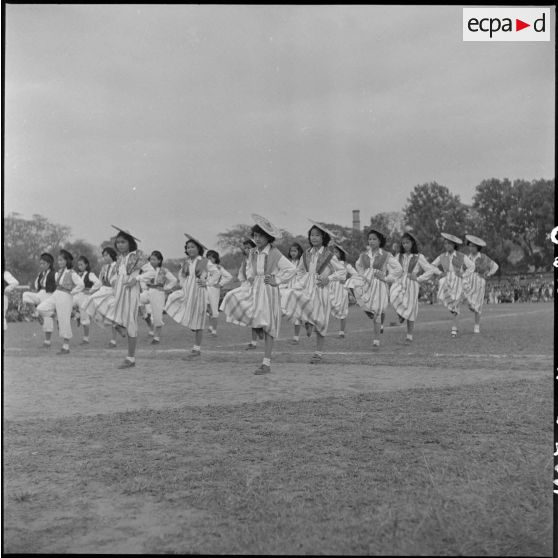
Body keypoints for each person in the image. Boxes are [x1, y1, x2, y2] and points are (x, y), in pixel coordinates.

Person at [220, 214, 296, 374]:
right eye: (255, 235)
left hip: (268, 290)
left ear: (269, 237)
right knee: (232, 297)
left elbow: (291, 269)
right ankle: (258, 329)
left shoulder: (275, 254)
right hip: (255, 288)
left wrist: (277, 279)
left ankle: (266, 363)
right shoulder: (253, 252)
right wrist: (250, 278)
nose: (258, 238)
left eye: (261, 235)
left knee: (269, 326)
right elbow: (249, 269)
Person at [282, 220, 345, 363]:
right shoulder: (306, 254)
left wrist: (328, 278)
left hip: (321, 289)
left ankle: (318, 352)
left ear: (323, 238)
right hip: (307, 287)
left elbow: (342, 272)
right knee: (294, 299)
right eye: (312, 235)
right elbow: (299, 271)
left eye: (317, 235)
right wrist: (302, 281)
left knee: (321, 321)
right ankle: (307, 322)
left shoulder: (329, 255)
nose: (314, 238)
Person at [97, 226, 153, 368]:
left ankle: (131, 358)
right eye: (118, 242)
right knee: (97, 302)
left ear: (130, 242)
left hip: (131, 291)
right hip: (119, 291)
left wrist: (137, 278)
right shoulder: (120, 258)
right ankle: (118, 325)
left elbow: (151, 272)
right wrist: (115, 281)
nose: (120, 245)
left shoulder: (137, 255)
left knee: (131, 323)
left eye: (123, 242)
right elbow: (116, 275)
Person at [345, 228, 403, 351]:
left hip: (379, 285)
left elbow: (399, 269)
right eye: (369, 239)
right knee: (350, 282)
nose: (371, 241)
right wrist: (363, 275)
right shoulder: (364, 255)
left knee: (377, 312)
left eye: (374, 239)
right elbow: (358, 265)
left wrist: (386, 278)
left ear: (380, 241)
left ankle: (376, 340)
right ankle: (362, 306)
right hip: (366, 283)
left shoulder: (386, 255)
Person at [165, 233, 214, 359]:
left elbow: (217, 274)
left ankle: (196, 349)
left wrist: (207, 282)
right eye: (188, 247)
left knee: (198, 321)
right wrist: (183, 285)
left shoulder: (205, 262)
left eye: (193, 247)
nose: (190, 249)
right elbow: (181, 276)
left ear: (198, 248)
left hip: (199, 292)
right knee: (172, 298)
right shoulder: (186, 262)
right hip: (187, 292)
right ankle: (193, 329)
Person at [389, 231, 440, 344]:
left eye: (407, 242)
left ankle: (409, 336)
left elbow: (430, 270)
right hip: (400, 281)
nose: (405, 245)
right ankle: (401, 315)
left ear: (412, 243)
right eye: (403, 243)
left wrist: (418, 278)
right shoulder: (399, 256)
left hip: (412, 283)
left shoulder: (419, 257)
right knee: (393, 294)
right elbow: (392, 268)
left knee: (411, 309)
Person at [37, 250, 84, 354]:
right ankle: (55, 316)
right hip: (56, 294)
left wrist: (72, 292)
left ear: (67, 261)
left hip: (66, 297)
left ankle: (66, 347)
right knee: (41, 308)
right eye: (58, 260)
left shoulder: (72, 273)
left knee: (64, 322)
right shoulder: (58, 272)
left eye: (61, 260)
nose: (59, 262)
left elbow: (81, 284)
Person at [430, 232, 475, 338]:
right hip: (446, 281)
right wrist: (439, 272)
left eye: (449, 244)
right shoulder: (442, 257)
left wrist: (463, 274)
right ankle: (468, 303)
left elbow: (472, 266)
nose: (447, 246)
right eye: (445, 244)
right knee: (452, 302)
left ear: (454, 245)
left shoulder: (461, 256)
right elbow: (431, 265)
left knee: (455, 305)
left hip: (458, 280)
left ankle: (454, 328)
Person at [138, 250, 177, 344]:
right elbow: (140, 277)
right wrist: (143, 287)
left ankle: (157, 338)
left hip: (158, 293)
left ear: (159, 261)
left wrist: (166, 288)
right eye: (151, 259)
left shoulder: (164, 270)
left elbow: (174, 280)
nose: (151, 261)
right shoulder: (146, 268)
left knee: (157, 317)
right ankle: (144, 316)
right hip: (148, 291)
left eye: (154, 259)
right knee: (136, 299)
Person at [462, 234, 499, 334]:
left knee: (478, 305)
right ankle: (470, 305)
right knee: (467, 299)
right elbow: (461, 269)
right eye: (469, 246)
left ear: (477, 247)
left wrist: (489, 274)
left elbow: (495, 266)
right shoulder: (466, 257)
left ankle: (476, 326)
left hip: (479, 280)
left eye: (473, 246)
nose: (471, 248)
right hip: (468, 280)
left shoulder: (483, 257)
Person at [86, 246, 120, 348]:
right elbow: (100, 281)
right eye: (103, 255)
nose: (105, 257)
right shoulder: (104, 267)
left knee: (113, 316)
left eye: (106, 255)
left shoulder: (117, 266)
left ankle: (113, 340)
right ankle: (106, 321)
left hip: (113, 292)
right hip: (104, 290)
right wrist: (92, 290)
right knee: (91, 300)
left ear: (112, 255)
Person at [237, 238, 261, 351]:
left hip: (257, 287)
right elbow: (241, 274)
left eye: (249, 247)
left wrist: (254, 279)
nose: (246, 250)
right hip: (247, 286)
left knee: (255, 314)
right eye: (245, 248)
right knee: (249, 314)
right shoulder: (244, 260)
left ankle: (254, 341)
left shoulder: (257, 258)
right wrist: (244, 282)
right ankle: (255, 338)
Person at [21, 253, 56, 328]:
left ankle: (52, 315)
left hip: (49, 295)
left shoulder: (54, 273)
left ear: (49, 264)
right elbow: (37, 285)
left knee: (47, 321)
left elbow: (58, 286)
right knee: (25, 294)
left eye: (43, 263)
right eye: (40, 264)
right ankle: (37, 314)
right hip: (40, 293)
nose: (41, 265)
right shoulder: (41, 274)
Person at [72, 256, 101, 345]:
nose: (79, 266)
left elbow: (98, 283)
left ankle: (86, 339)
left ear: (86, 265)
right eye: (78, 264)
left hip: (84, 297)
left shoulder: (90, 274)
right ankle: (77, 315)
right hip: (76, 295)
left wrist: (91, 291)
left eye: (81, 264)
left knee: (85, 319)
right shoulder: (77, 274)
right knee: (66, 305)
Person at [280, 242, 304, 344]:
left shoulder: (302, 262)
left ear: (299, 252)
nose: (293, 253)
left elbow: (304, 275)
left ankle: (296, 337)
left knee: (296, 314)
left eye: (295, 251)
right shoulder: (288, 262)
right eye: (291, 251)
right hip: (288, 288)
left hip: (298, 289)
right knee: (283, 309)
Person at [205, 250, 233, 337]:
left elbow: (229, 277)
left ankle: (214, 331)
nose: (210, 259)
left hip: (214, 289)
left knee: (214, 310)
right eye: (208, 257)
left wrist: (220, 284)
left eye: (212, 257)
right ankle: (210, 326)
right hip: (205, 288)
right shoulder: (206, 267)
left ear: (215, 258)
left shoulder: (219, 267)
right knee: (207, 308)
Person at [329, 244, 351, 339]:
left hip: (342, 288)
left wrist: (349, 289)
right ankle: (318, 326)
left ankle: (341, 332)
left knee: (343, 310)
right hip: (331, 287)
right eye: (333, 252)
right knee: (325, 305)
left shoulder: (345, 264)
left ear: (341, 253)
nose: (334, 254)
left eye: (336, 252)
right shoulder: (331, 263)